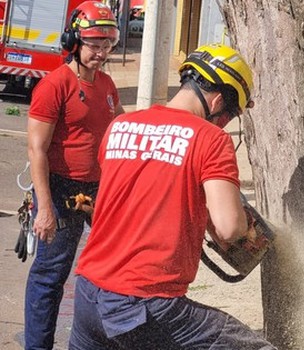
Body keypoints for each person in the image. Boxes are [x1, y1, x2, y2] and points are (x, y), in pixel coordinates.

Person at [68, 43, 276, 350]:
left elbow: (141, 193)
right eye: (230, 115)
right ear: (217, 99)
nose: (224, 123)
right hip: (145, 305)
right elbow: (230, 227)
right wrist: (244, 229)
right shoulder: (210, 139)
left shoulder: (120, 126)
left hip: (88, 296)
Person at [24, 1, 125, 348]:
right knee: (51, 275)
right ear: (74, 42)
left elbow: (120, 129)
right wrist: (46, 209)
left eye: (108, 44)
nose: (101, 52)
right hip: (59, 187)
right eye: (94, 44)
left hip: (98, 189)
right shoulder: (55, 85)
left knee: (117, 262)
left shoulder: (108, 85)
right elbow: (37, 149)